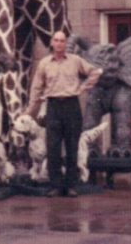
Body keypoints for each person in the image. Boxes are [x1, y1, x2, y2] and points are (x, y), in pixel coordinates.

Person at [26, 31, 102, 197]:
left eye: (62, 41)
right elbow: (36, 88)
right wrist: (30, 111)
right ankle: (55, 185)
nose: (59, 43)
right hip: (52, 106)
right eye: (56, 40)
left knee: (72, 146)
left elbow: (95, 72)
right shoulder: (44, 63)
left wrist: (84, 87)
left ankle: (71, 185)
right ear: (52, 43)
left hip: (71, 106)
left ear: (66, 43)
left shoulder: (75, 61)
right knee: (52, 147)